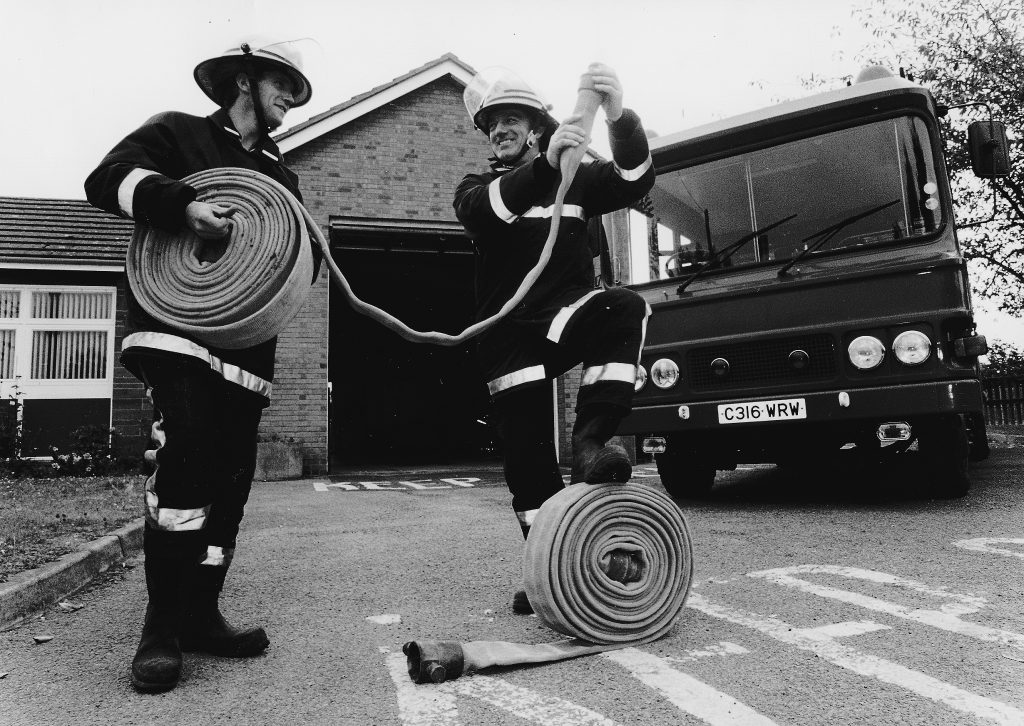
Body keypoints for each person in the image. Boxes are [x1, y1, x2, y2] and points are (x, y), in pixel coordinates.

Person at [84, 39, 319, 693]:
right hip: (175, 328)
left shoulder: (284, 178)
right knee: (186, 447)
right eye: (283, 86)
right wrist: (181, 205)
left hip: (247, 350)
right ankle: (161, 626)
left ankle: (201, 609)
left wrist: (286, 255)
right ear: (245, 80)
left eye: (298, 96)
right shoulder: (178, 135)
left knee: (233, 480)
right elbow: (108, 178)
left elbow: (298, 258)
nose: (291, 102)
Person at [453, 64, 655, 614]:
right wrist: (547, 164)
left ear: (536, 125)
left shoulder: (579, 179)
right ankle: (546, 569)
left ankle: (591, 442)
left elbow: (636, 178)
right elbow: (491, 208)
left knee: (624, 307)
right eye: (492, 123)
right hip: (506, 334)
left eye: (512, 119)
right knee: (528, 460)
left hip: (563, 313)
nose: (500, 129)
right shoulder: (478, 189)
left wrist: (618, 116)